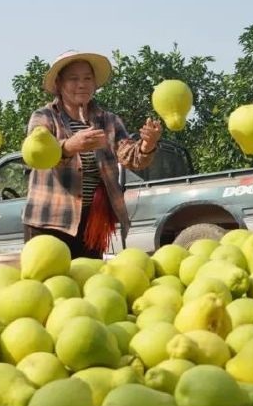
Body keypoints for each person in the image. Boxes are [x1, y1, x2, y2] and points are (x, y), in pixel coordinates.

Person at [22, 51, 162, 258]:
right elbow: (37, 155)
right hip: (50, 219)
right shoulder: (45, 117)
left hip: (92, 222)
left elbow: (130, 157)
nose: (82, 84)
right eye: (74, 79)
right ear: (59, 83)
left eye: (87, 78)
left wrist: (147, 144)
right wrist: (69, 146)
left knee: (89, 283)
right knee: (50, 284)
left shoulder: (108, 121)